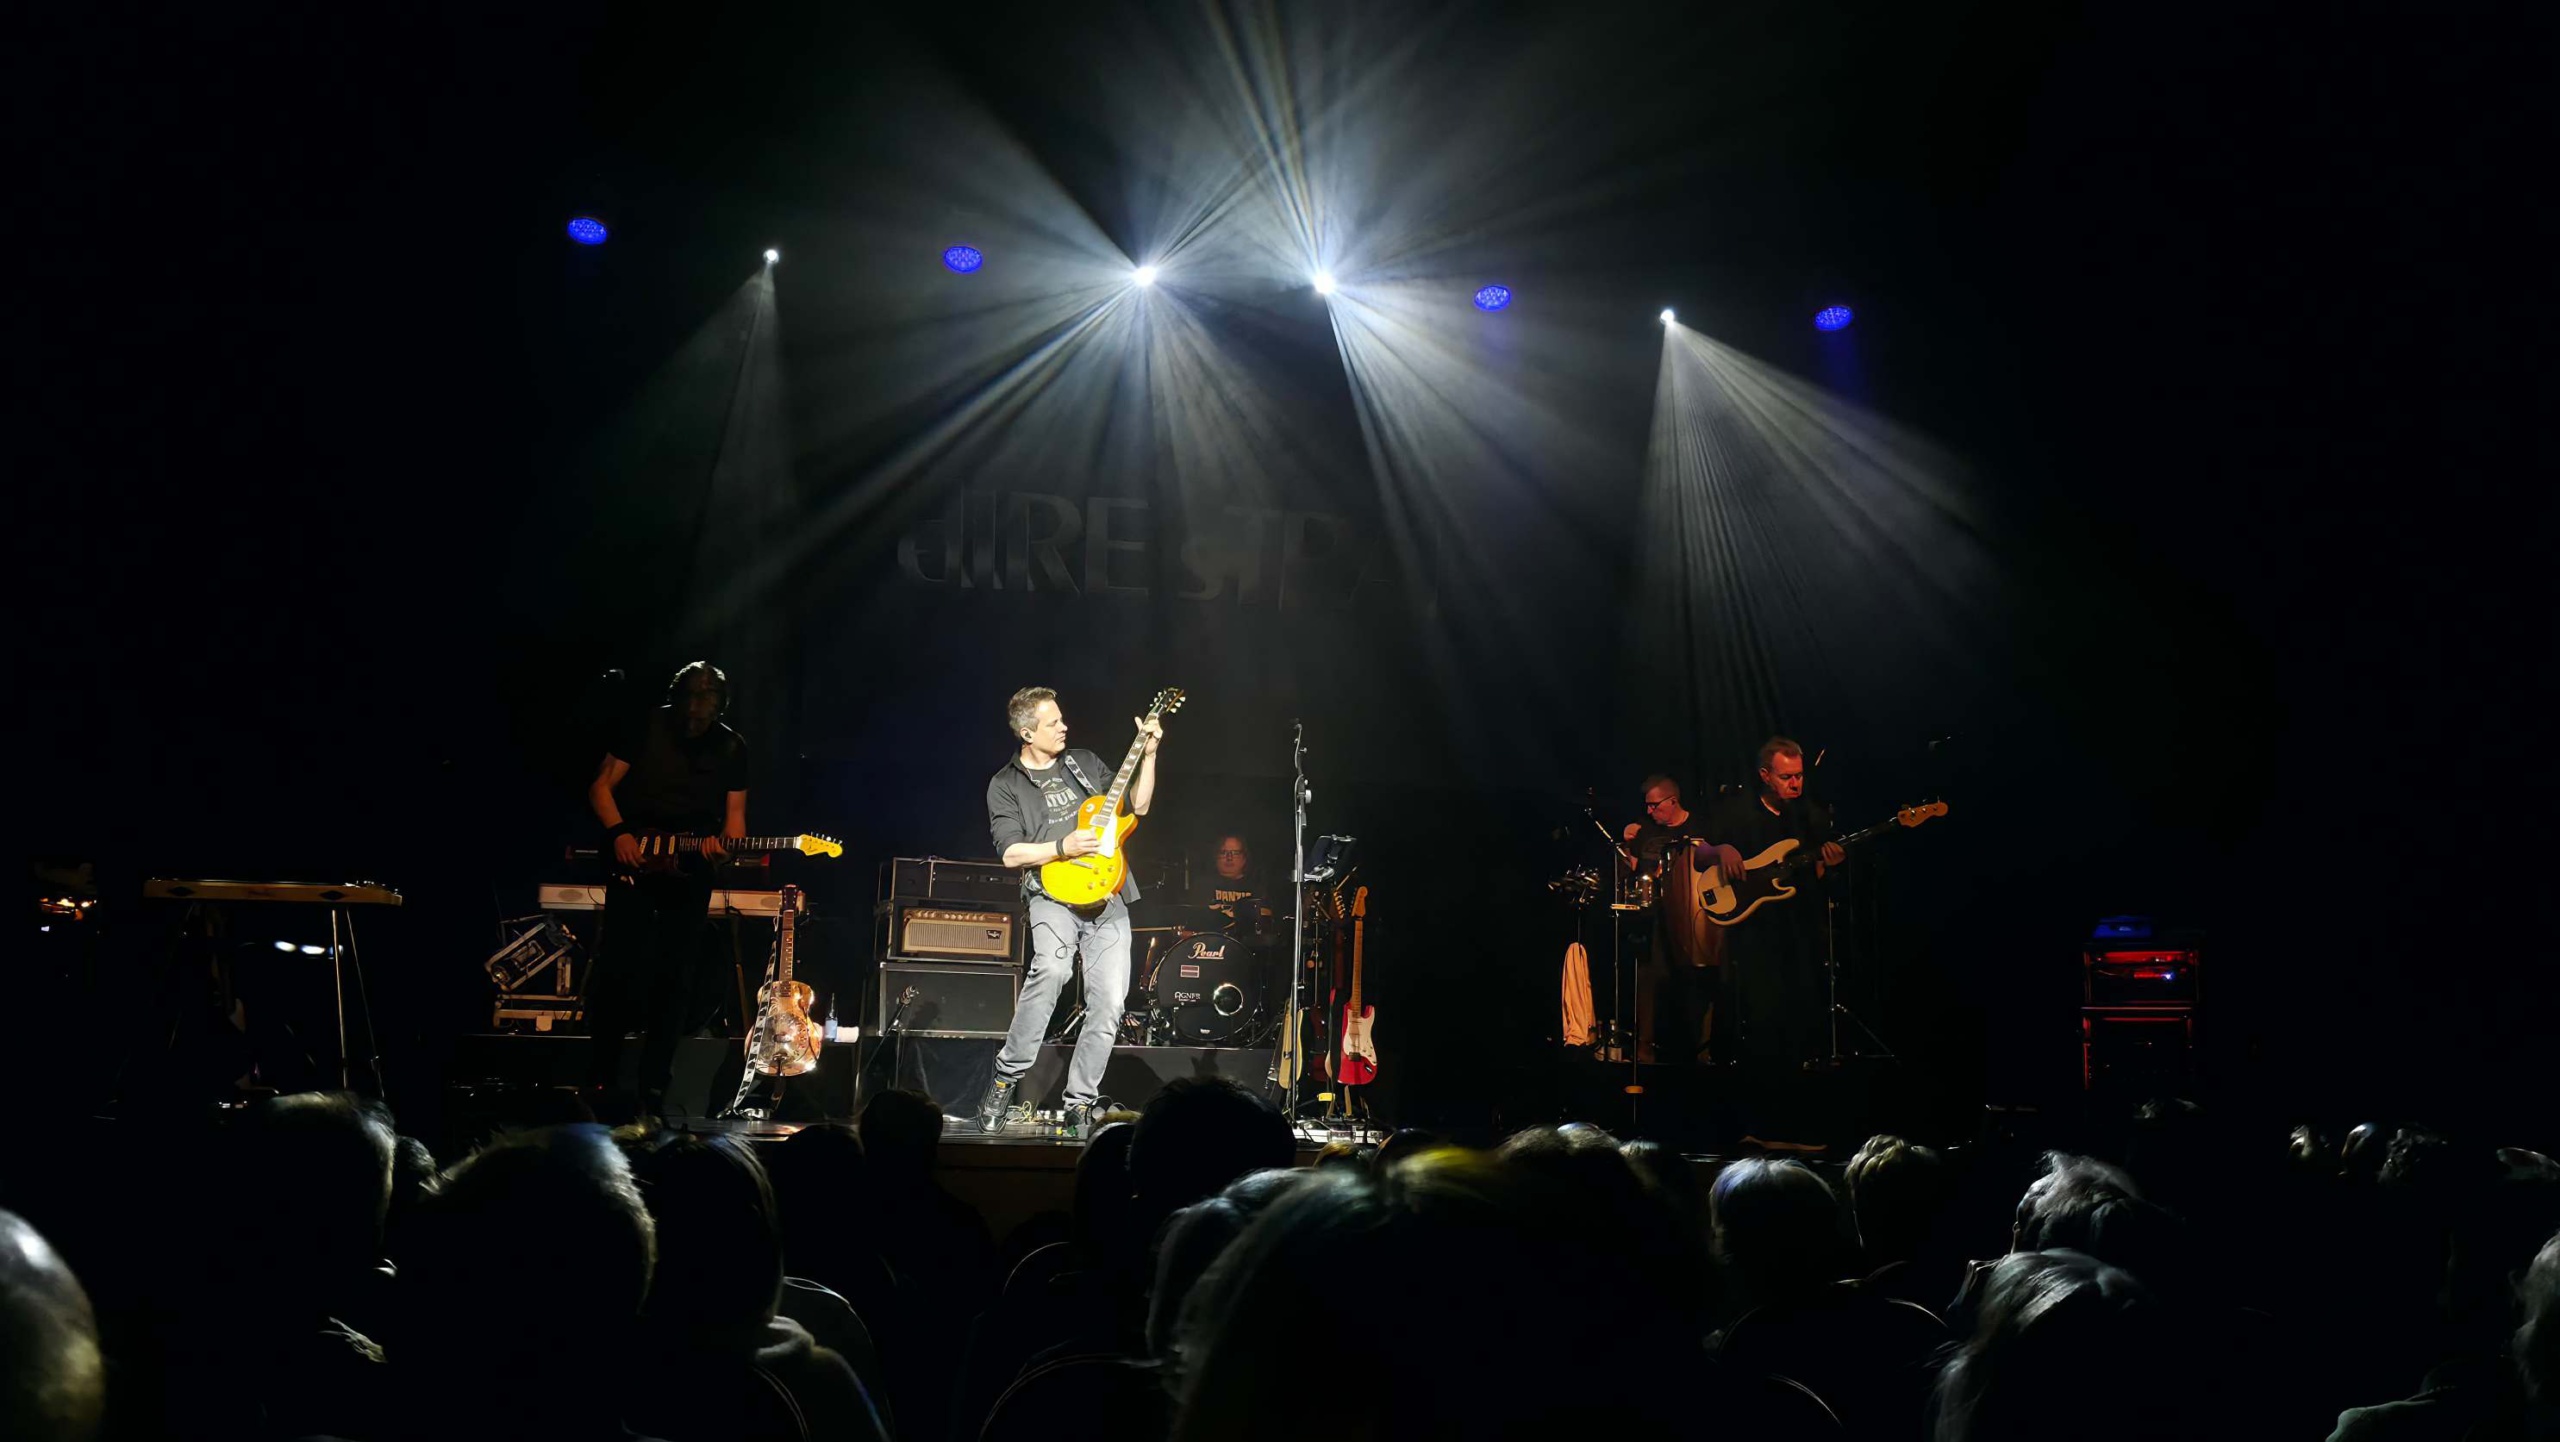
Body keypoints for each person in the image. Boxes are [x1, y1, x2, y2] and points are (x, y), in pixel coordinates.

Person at [975, 686, 1164, 1136]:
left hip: (1108, 895)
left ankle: (1080, 1101)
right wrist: (1063, 846)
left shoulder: (1084, 763)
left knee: (1111, 1002)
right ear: (1027, 732)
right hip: (1051, 894)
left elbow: (1137, 805)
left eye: (1062, 719)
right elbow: (1011, 853)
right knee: (1052, 970)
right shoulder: (1006, 785)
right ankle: (1006, 1076)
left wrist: (1150, 753)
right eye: (1053, 722)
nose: (1064, 727)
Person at [585, 661, 749, 1117]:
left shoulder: (732, 746)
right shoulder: (645, 726)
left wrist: (724, 851)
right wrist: (619, 834)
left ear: (720, 706)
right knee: (619, 967)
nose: (696, 716)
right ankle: (601, 1077)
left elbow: (735, 821)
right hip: (634, 858)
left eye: (706, 707)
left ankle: (655, 1085)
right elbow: (601, 787)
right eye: (690, 704)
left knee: (676, 978)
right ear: (676, 699)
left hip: (690, 869)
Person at [1699, 738, 1843, 1124]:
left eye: (1799, 776)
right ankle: (1754, 1115)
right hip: (1753, 933)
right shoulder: (1737, 811)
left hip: (1798, 931)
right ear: (1765, 775)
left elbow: (1817, 877)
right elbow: (1699, 853)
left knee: (1797, 1019)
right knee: (1760, 1018)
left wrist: (1829, 864)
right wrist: (1721, 850)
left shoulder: (1810, 818)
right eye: (1786, 777)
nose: (1795, 783)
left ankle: (1795, 1114)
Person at [1620, 774, 1744, 1064]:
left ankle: (1703, 1050)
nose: (1650, 811)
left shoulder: (1701, 827)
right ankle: (1645, 1048)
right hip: (1655, 917)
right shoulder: (1647, 832)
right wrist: (1627, 847)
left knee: (1701, 981)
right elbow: (1633, 869)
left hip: (1695, 917)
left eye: (1655, 805)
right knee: (1651, 977)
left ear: (1673, 801)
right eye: (1647, 806)